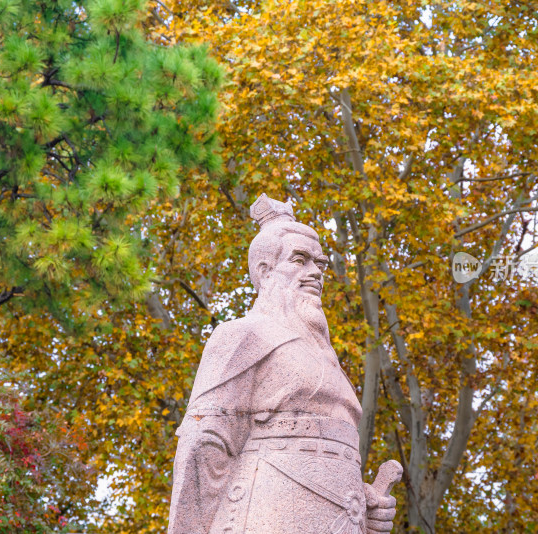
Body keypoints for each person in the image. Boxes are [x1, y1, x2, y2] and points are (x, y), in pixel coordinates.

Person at [168, 194, 398, 534]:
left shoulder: (328, 359)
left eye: (319, 264)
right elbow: (203, 446)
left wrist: (363, 505)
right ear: (264, 271)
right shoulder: (242, 335)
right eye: (300, 260)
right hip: (265, 513)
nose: (315, 273)